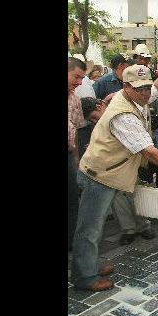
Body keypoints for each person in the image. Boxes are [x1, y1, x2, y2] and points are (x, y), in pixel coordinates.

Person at [72, 64, 158, 291]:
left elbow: (156, 88)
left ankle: (88, 265)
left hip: (112, 172)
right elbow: (149, 152)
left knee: (96, 226)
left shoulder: (136, 96)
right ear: (126, 86)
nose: (145, 93)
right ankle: (84, 277)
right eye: (139, 89)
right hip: (100, 175)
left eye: (145, 87)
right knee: (90, 228)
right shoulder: (123, 115)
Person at [68, 57, 88, 250]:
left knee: (73, 199)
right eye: (76, 77)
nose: (80, 82)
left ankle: (72, 244)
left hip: (68, 156)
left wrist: (76, 158)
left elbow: (75, 131)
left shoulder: (75, 99)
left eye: (82, 78)